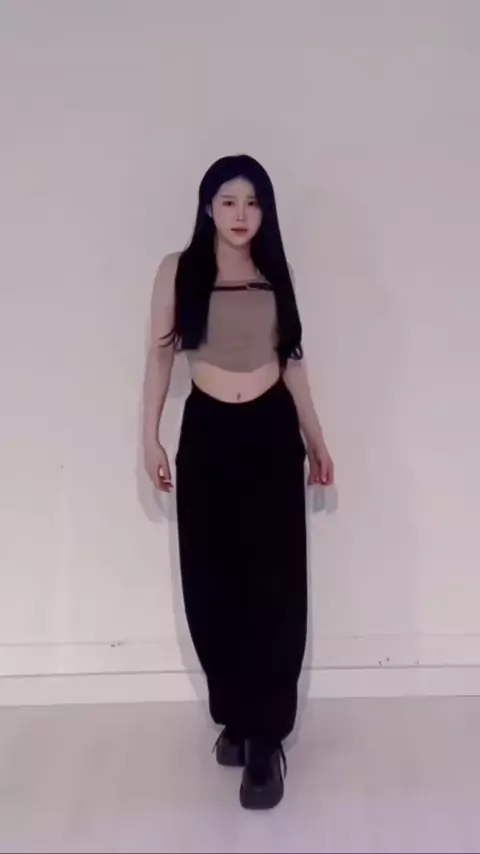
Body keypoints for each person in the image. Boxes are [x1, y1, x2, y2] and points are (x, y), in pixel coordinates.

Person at [142, 154, 334, 810]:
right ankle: (234, 712)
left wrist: (316, 437)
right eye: (228, 201)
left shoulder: (275, 272)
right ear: (208, 207)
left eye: (253, 202)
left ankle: (264, 740)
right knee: (212, 581)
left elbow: (293, 359)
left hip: (271, 434)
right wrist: (149, 438)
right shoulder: (179, 270)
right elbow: (158, 358)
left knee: (274, 585)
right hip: (208, 435)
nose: (241, 214)